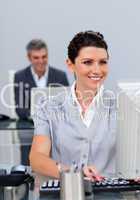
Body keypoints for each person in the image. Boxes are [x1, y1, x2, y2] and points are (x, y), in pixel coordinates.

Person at [29, 31, 116, 181]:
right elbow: (37, 158)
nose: (97, 70)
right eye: (88, 62)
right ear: (70, 65)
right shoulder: (48, 107)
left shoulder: (120, 108)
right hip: (66, 193)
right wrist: (74, 174)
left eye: (103, 62)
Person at [14, 39, 69, 119]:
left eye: (44, 57)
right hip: (30, 126)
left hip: (55, 125)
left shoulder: (60, 76)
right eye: (36, 58)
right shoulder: (20, 77)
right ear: (29, 58)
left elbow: (66, 105)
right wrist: (39, 117)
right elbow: (20, 109)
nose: (41, 61)